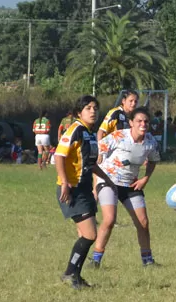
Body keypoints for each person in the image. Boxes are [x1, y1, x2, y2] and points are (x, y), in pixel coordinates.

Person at [54, 95, 115, 289]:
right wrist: (64, 182)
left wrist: (107, 179)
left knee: (87, 235)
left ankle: (75, 276)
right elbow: (59, 155)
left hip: (85, 188)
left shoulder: (90, 133)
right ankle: (70, 273)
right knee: (89, 235)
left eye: (95, 107)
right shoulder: (76, 130)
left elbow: (89, 163)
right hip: (72, 189)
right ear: (79, 112)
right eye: (88, 108)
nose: (93, 111)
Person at [91, 107, 161, 268]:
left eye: (146, 121)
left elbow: (153, 160)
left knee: (143, 222)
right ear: (131, 123)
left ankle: (148, 260)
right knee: (109, 219)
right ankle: (95, 260)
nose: (143, 124)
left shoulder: (150, 141)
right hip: (109, 182)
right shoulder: (118, 136)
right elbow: (96, 151)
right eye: (139, 121)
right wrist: (97, 180)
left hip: (131, 185)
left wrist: (145, 178)